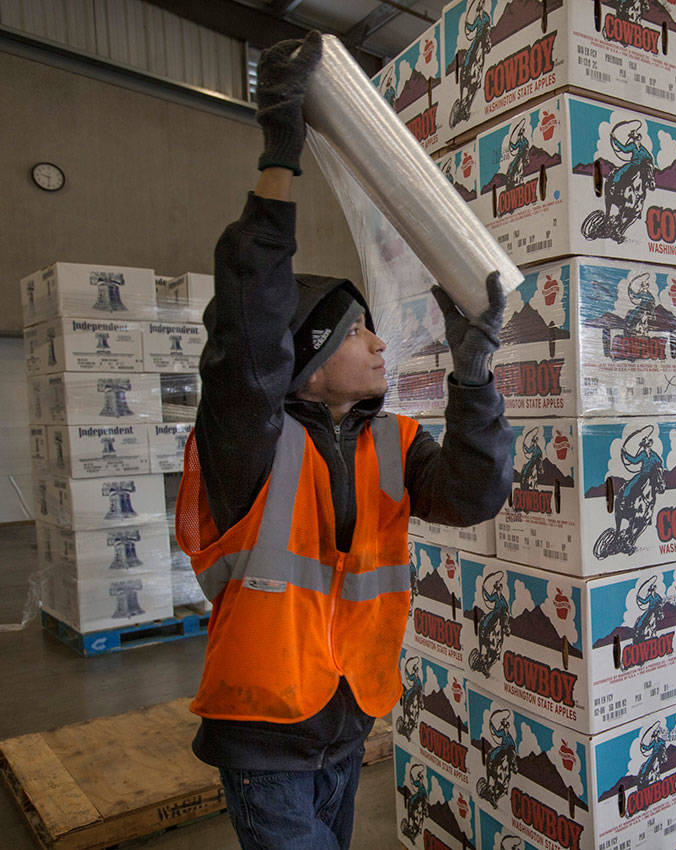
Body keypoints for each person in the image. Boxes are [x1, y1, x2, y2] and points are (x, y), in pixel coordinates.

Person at [174, 32, 513, 850]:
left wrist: (474, 376)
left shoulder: (390, 441)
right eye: (358, 334)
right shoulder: (248, 441)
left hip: (346, 720)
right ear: (310, 366)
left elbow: (474, 495)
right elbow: (251, 326)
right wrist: (280, 154)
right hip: (265, 731)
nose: (380, 345)